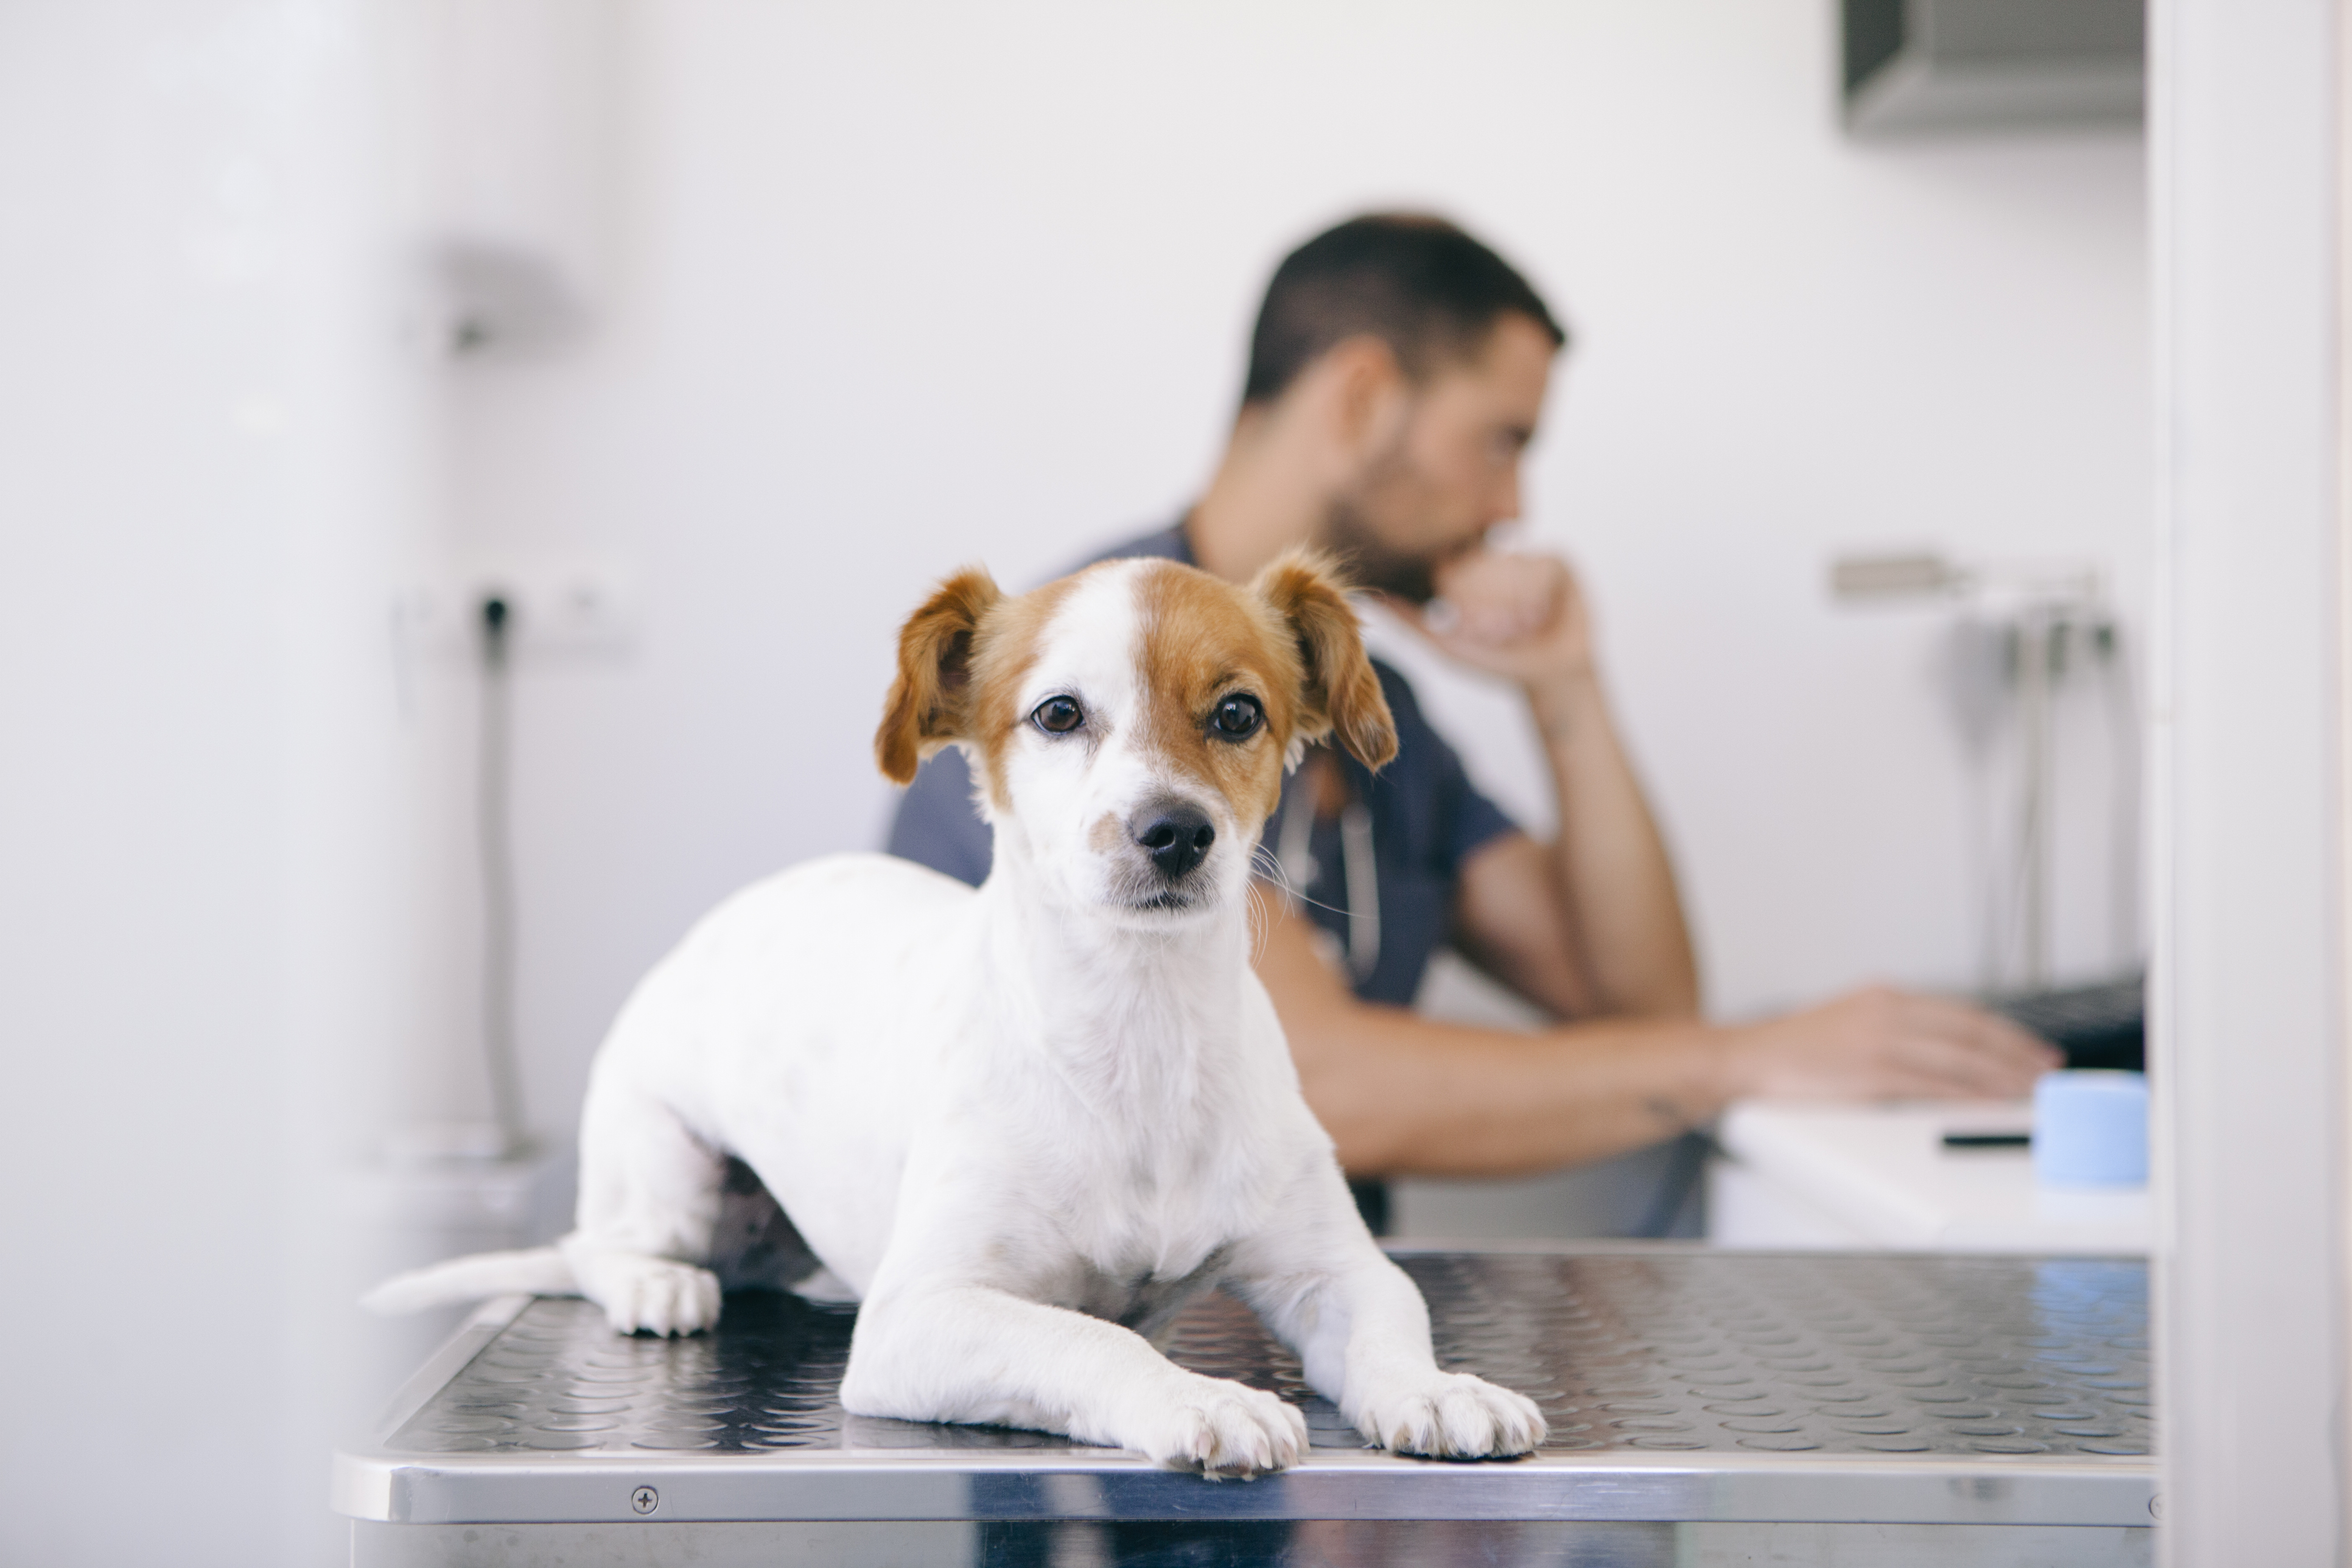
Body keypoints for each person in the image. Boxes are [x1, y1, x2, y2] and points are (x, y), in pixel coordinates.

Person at [887, 214, 2056, 1222]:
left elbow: (1638, 1009)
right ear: (1360, 398)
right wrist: (1755, 1056)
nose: (1513, 505)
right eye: (1501, 440)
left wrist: (1569, 693)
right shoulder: (1055, 689)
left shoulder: (1375, 719)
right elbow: (1310, 1074)